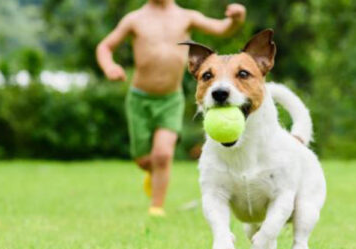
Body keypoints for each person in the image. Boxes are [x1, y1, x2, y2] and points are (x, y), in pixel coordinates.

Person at [96, 0, 246, 216]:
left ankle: (156, 207)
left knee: (163, 155)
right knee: (143, 159)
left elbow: (222, 29)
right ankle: (151, 171)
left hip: (170, 100)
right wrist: (109, 66)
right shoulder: (134, 19)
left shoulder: (186, 16)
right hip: (139, 99)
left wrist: (237, 18)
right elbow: (104, 46)